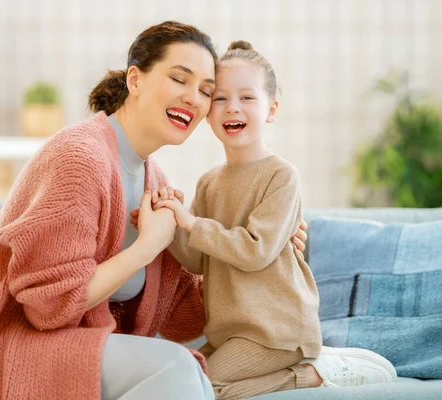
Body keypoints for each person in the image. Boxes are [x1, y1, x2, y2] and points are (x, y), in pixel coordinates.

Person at [0, 21, 308, 400]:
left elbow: (184, 311)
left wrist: (271, 255)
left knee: (184, 367)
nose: (194, 98)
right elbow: (48, 308)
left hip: (82, 348)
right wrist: (144, 248)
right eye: (179, 79)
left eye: (207, 91)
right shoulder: (79, 158)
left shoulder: (153, 179)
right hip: (12, 352)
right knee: (176, 367)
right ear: (135, 80)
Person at [140, 40, 397, 399]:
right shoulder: (209, 182)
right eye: (220, 98)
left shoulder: (280, 176)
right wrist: (170, 219)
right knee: (182, 378)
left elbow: (255, 250)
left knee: (205, 388)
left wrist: (191, 223)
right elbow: (199, 260)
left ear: (271, 109)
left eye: (247, 98)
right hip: (231, 332)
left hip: (277, 331)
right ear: (208, 112)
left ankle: (312, 375)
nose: (233, 108)